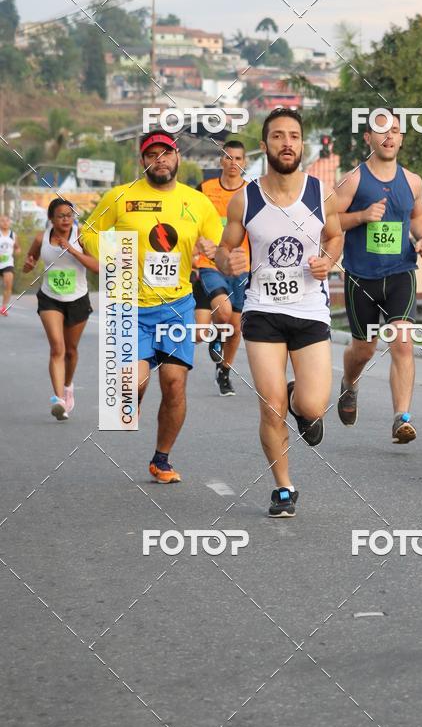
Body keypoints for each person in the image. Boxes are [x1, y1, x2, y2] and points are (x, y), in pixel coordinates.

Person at [216, 108, 343, 517]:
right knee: (269, 406)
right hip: (263, 310)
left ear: (302, 144)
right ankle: (283, 487)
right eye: (277, 136)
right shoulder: (246, 198)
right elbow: (223, 249)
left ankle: (297, 398)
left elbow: (336, 237)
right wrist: (227, 262)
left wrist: (328, 259)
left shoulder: (321, 193)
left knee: (313, 408)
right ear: (264, 145)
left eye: (293, 136)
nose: (286, 143)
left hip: (309, 311)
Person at [81, 129, 223, 483]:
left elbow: (218, 248)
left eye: (165, 153)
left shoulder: (198, 202)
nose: (159, 160)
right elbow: (88, 232)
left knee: (175, 383)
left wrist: (211, 251)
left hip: (176, 305)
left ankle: (161, 459)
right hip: (129, 305)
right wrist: (116, 259)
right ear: (142, 161)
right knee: (131, 385)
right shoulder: (121, 196)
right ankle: (132, 397)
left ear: (177, 157)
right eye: (151, 155)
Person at [334, 112, 422, 443]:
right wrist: (361, 216)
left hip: (401, 272)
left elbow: (418, 217)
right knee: (364, 349)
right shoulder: (353, 180)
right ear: (368, 138)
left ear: (402, 138)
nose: (389, 137)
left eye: (395, 131)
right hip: (361, 276)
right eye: (381, 131)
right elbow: (328, 222)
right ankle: (349, 384)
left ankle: (401, 418)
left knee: (402, 342)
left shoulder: (413, 181)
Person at [23, 199, 97, 420]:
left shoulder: (82, 235)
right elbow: (31, 262)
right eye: (61, 215)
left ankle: (67, 386)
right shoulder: (41, 238)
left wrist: (73, 250)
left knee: (71, 350)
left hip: (77, 299)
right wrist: (28, 266)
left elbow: (97, 267)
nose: (66, 219)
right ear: (51, 219)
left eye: (69, 215)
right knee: (58, 348)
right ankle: (58, 400)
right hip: (50, 298)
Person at [192, 140, 249, 396]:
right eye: (228, 157)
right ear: (221, 162)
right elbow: (189, 221)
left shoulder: (252, 192)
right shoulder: (204, 189)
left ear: (244, 162)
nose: (233, 163)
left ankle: (225, 371)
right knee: (223, 313)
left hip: (241, 265)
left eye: (238, 158)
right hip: (211, 263)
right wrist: (196, 248)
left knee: (236, 327)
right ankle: (215, 334)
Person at [0, 214, 20, 316]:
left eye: (7, 220)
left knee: (8, 285)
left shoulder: (13, 234)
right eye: (2, 221)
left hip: (7, 263)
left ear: (10, 222)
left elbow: (17, 247)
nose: (5, 222)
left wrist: (17, 251)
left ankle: (3, 307)